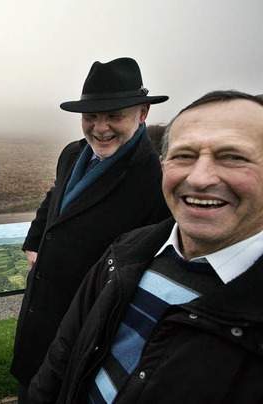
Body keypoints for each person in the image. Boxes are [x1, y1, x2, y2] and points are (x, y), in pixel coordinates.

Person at [28, 90, 263, 403]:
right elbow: (66, 352)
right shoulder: (126, 253)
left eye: (233, 157)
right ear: (164, 164)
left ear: (141, 116)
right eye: (184, 156)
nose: (201, 177)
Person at [11, 57, 172, 400]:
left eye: (114, 116)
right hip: (41, 309)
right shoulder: (72, 154)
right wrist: (35, 241)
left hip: (88, 327)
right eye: (91, 117)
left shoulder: (155, 180)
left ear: (142, 113)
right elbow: (54, 197)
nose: (100, 128)